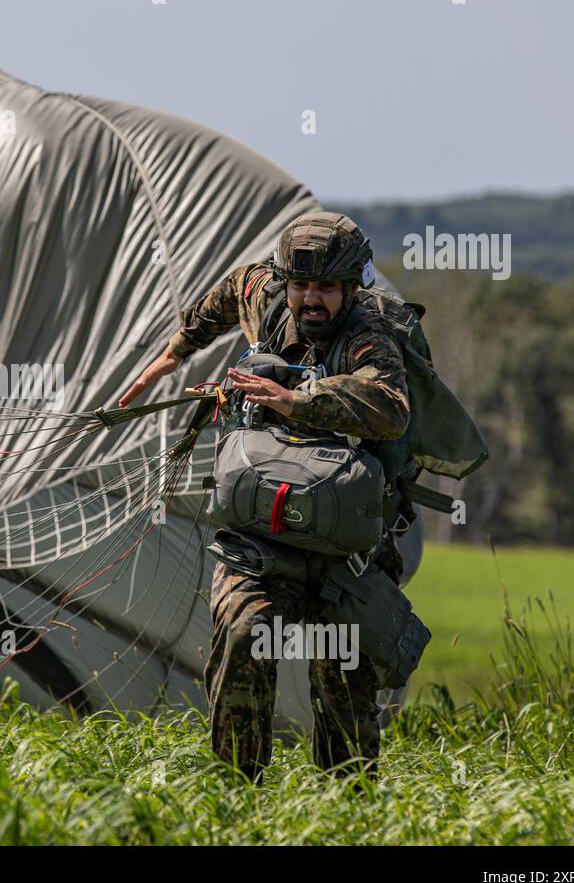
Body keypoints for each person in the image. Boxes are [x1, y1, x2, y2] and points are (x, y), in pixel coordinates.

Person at [118, 211, 411, 783]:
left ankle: (348, 805)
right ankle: (237, 794)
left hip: (344, 544)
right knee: (247, 633)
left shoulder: (369, 336)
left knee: (342, 668)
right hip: (262, 529)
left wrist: (292, 399)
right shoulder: (267, 295)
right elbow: (229, 292)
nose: (310, 299)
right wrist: (173, 354)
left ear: (351, 287)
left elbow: (390, 409)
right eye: (301, 285)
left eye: (325, 288)